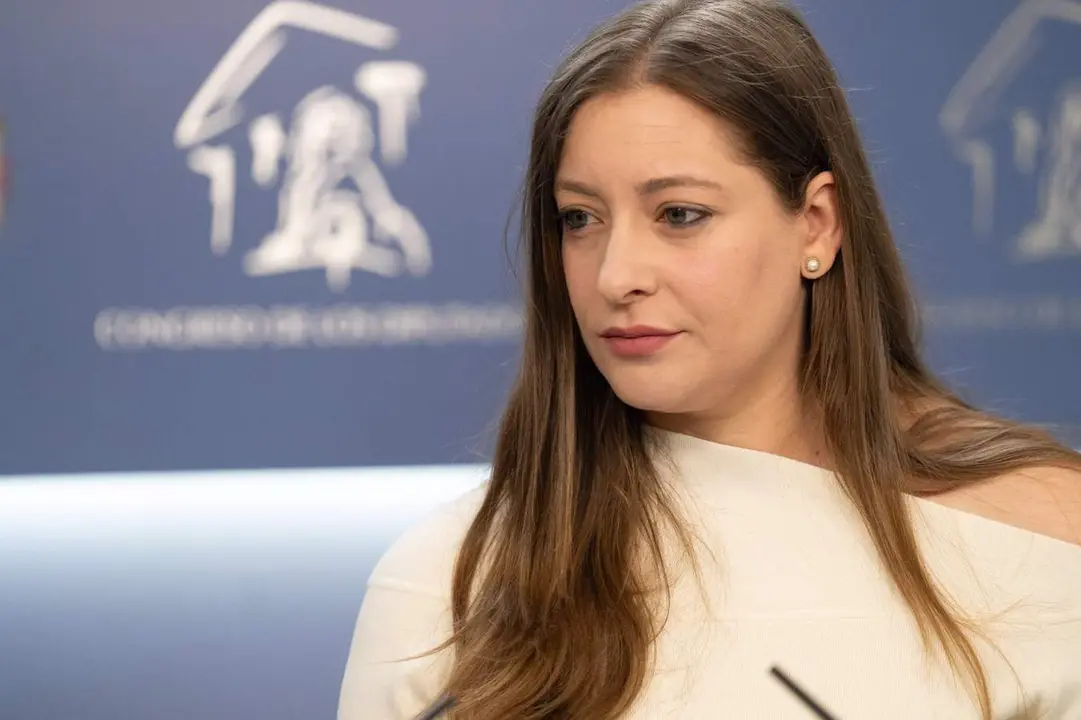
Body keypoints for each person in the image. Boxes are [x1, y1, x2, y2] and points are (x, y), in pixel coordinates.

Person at [337, 0, 1081, 717]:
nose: (615, 275)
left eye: (679, 214)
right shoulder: (452, 580)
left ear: (816, 225)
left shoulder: (1043, 533)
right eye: (580, 219)